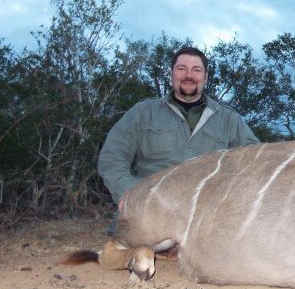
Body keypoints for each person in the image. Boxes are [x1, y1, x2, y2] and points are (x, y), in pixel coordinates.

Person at [98, 46, 260, 234]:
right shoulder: (144, 112)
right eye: (181, 68)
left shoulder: (229, 119)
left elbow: (256, 159)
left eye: (196, 70)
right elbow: (112, 156)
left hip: (207, 216)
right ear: (172, 73)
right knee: (132, 244)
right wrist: (128, 191)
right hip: (152, 208)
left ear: (205, 77)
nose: (188, 75)